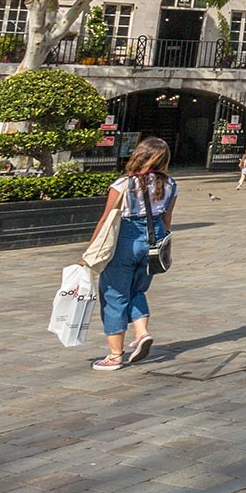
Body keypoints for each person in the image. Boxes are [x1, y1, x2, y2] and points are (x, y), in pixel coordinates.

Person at [79, 136, 175, 371]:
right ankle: (141, 333)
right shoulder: (171, 184)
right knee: (138, 289)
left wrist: (89, 251)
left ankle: (114, 355)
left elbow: (105, 219)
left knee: (114, 294)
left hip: (126, 239)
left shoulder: (123, 184)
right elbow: (167, 218)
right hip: (155, 240)